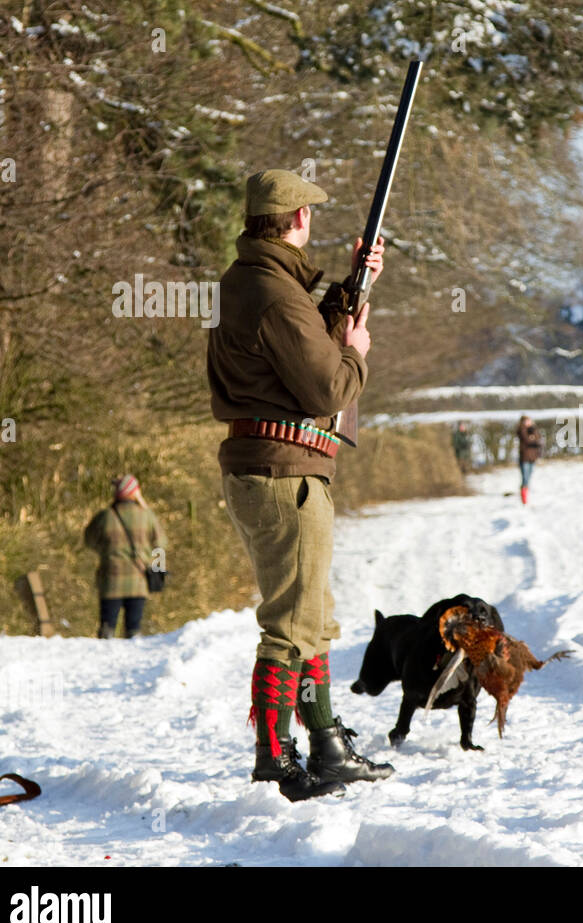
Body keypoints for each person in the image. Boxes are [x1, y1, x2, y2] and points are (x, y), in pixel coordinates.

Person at [207, 168, 391, 802]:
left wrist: (348, 292)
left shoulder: (245, 282)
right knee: (290, 627)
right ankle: (275, 760)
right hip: (287, 474)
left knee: (312, 618)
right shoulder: (275, 294)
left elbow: (294, 349)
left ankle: (325, 744)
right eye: (309, 213)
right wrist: (357, 349)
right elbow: (327, 387)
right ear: (296, 221)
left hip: (263, 466)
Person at [83, 474, 168, 639]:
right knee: (133, 629)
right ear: (135, 493)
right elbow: (161, 544)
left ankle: (103, 659)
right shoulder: (147, 516)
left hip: (111, 579)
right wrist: (155, 565)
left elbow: (89, 541)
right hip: (139, 580)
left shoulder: (105, 516)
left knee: (107, 627)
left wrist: (105, 551)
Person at [515, 415, 542, 504]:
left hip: (532, 458)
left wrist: (533, 435)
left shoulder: (533, 429)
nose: (528, 423)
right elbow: (527, 440)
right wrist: (532, 438)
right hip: (524, 458)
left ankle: (526, 495)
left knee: (529, 477)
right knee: (525, 478)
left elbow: (538, 439)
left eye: (529, 421)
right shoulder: (521, 430)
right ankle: (524, 498)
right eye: (526, 421)